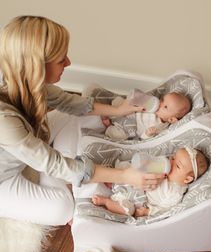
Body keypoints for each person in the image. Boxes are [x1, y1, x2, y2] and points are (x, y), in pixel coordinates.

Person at [0, 15, 164, 226]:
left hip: (24, 146)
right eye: (61, 60)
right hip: (4, 178)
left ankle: (65, 171)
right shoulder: (4, 121)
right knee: (63, 210)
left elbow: (68, 102)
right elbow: (53, 163)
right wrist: (125, 176)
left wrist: (118, 110)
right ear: (37, 67)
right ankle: (66, 178)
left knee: (92, 119)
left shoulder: (20, 75)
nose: (68, 63)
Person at [92, 147, 208, 217]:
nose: (171, 162)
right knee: (129, 167)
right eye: (173, 158)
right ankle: (111, 178)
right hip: (134, 179)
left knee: (128, 209)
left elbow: (165, 210)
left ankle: (107, 202)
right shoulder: (164, 168)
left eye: (177, 165)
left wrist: (148, 212)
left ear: (187, 179)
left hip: (140, 197)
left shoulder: (174, 193)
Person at [100, 91, 192, 140]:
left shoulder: (161, 127)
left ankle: (109, 126)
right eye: (162, 99)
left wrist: (148, 134)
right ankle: (110, 112)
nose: (160, 103)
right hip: (133, 113)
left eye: (165, 106)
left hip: (132, 128)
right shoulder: (154, 106)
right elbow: (142, 100)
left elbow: (144, 138)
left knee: (120, 136)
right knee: (119, 101)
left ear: (171, 119)